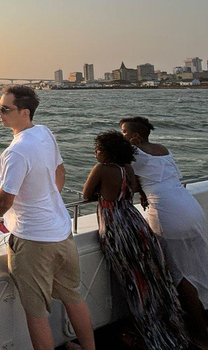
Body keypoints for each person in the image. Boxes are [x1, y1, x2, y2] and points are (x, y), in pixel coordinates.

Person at [0, 86, 95, 350]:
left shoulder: (15, 152)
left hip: (33, 240)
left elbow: (4, 202)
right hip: (61, 232)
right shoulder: (44, 133)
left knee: (36, 315)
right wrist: (46, 199)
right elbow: (60, 171)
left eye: (5, 109)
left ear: (24, 112)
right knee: (73, 297)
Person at [120, 117, 208, 350]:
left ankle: (202, 335)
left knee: (180, 276)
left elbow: (132, 185)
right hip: (190, 207)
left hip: (168, 214)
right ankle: (194, 319)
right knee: (193, 267)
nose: (123, 137)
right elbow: (159, 177)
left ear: (136, 137)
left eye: (125, 132)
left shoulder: (132, 156)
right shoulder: (162, 150)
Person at [82, 131, 188, 350]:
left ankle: (147, 333)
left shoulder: (101, 169)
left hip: (116, 226)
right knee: (150, 276)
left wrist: (100, 195)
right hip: (134, 221)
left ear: (107, 152)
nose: (95, 153)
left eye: (98, 149)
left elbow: (86, 195)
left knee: (133, 282)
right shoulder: (127, 168)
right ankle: (166, 326)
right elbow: (133, 189)